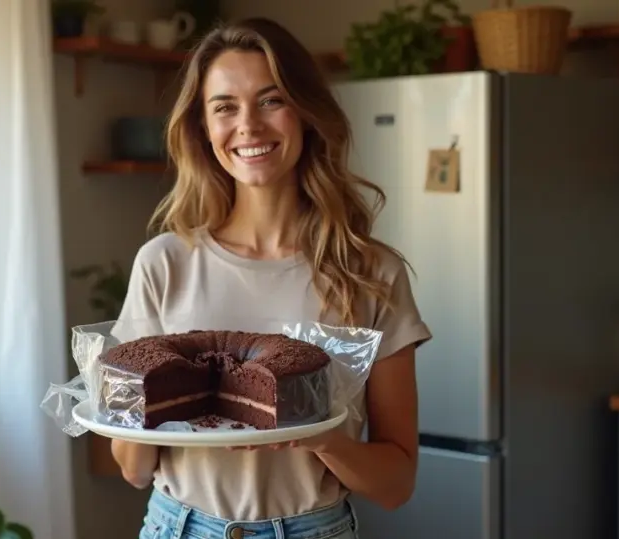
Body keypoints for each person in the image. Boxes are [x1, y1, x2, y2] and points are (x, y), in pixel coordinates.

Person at [111, 16, 433, 539]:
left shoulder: (370, 273)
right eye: (225, 107)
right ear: (203, 128)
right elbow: (133, 469)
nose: (249, 126)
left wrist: (321, 437)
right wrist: (151, 400)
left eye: (271, 100)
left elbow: (396, 484)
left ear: (305, 112)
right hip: (179, 527)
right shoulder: (163, 264)